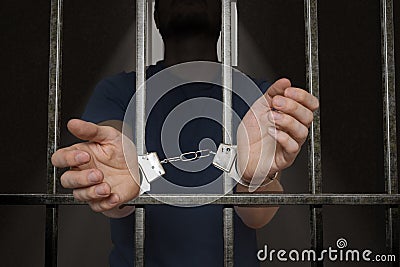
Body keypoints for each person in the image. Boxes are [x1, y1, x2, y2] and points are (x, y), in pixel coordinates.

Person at [51, 0, 319, 266]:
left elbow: (257, 217)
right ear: (153, 15)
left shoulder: (256, 98)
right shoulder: (119, 91)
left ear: (226, 11)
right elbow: (113, 151)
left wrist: (255, 177)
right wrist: (112, 180)